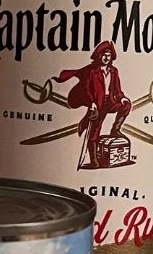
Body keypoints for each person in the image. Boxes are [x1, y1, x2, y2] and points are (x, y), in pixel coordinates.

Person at [54, 41, 130, 169]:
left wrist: (122, 98)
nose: (106, 58)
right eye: (104, 55)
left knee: (126, 106)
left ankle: (115, 129)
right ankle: (94, 161)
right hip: (97, 103)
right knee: (95, 130)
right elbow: (87, 89)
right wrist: (92, 104)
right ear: (99, 56)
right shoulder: (92, 71)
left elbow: (117, 89)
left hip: (110, 101)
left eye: (109, 55)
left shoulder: (114, 71)